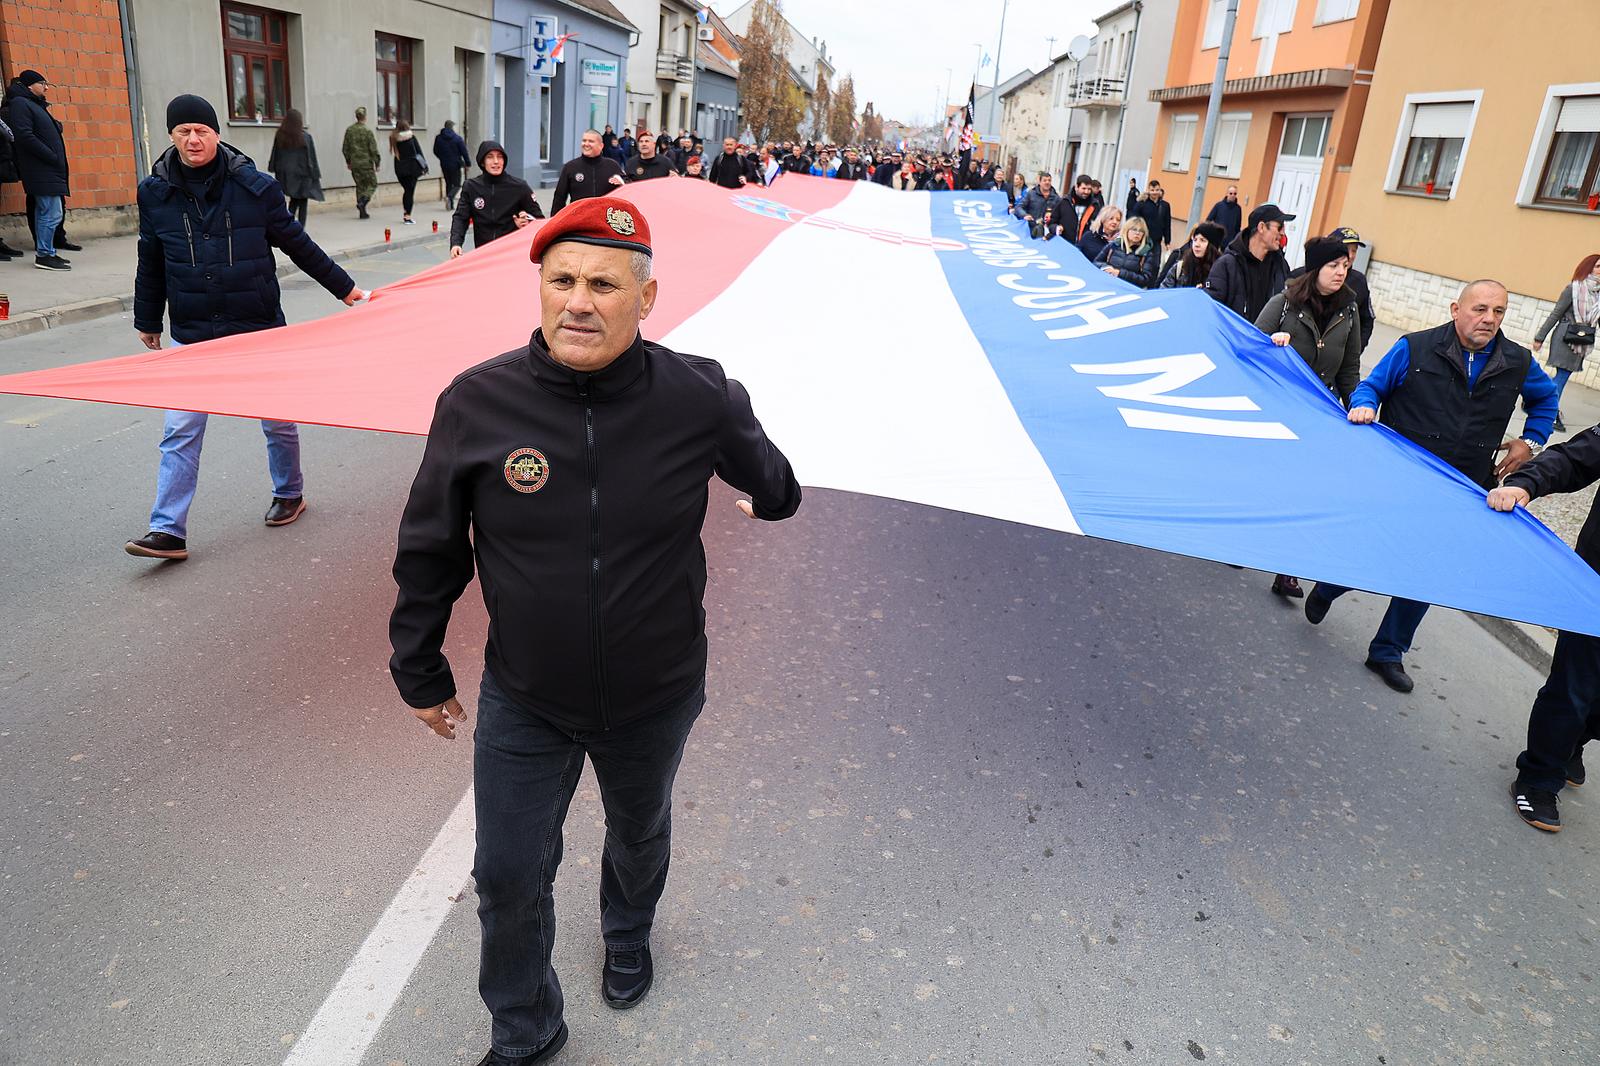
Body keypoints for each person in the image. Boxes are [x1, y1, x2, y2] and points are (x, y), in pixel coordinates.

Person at [388, 195, 801, 1066]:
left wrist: (765, 495)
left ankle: (626, 932)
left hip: (655, 693)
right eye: (562, 280)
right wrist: (418, 668)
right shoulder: (477, 404)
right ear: (539, 288)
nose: (579, 300)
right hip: (527, 697)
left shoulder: (699, 395)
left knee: (639, 830)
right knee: (505, 873)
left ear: (646, 300)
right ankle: (527, 1029)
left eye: (604, 284)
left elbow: (777, 484)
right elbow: (430, 547)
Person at [124, 95, 363, 563]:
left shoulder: (255, 187)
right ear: (172, 136)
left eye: (202, 130)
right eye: (183, 131)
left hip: (257, 329)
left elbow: (298, 243)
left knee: (277, 421)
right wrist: (147, 319)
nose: (193, 139)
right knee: (180, 430)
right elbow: (150, 259)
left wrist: (347, 289)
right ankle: (167, 530)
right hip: (192, 332)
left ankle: (290, 492)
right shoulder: (155, 192)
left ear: (216, 134)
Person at [1303, 280, 1559, 693]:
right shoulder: (1415, 347)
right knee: (1381, 553)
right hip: (1404, 478)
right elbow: (1371, 386)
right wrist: (1364, 405)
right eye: (1480, 309)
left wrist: (1530, 442)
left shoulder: (1518, 361)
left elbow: (1546, 403)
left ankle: (1388, 651)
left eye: (1498, 312)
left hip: (1466, 484)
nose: (1489, 319)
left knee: (1430, 569)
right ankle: (1331, 585)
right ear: (1456, 309)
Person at [1490, 424, 1600, 832]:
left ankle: (1573, 744)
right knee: (1575, 687)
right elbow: (1574, 457)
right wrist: (1526, 483)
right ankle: (1539, 777)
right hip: (1597, 589)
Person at [1255, 237, 1364, 599]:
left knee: (1305, 492)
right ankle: (1243, 539)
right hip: (1277, 408)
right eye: (1334, 266)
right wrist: (1273, 344)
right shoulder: (1284, 303)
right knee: (1267, 482)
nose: (1341, 272)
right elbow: (1251, 348)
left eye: (1345, 266)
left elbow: (1349, 368)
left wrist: (1358, 406)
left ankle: (1288, 569)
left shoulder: (1349, 309)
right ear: (1316, 268)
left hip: (1319, 413)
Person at [6, 68, 70, 271]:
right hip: (41, 168)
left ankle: (48, 252)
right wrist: (50, 155)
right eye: (43, 83)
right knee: (50, 213)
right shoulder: (20, 104)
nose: (46, 88)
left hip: (47, 169)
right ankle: (44, 255)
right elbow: (24, 136)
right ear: (29, 85)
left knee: (51, 212)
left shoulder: (33, 104)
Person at [1532, 253, 1600, 434]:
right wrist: (1540, 337)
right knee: (1561, 376)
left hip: (1583, 341)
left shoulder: (1599, 295)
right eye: (1599, 266)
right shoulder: (1574, 289)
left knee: (1562, 376)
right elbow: (1556, 313)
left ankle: (1537, 400)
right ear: (1588, 268)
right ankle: (1550, 412)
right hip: (1565, 338)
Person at [1288, 226, 1376, 353]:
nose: (1350, 255)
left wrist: (1355, 349)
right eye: (1347, 249)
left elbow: (1366, 320)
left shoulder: (1359, 281)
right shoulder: (1299, 277)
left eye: (1354, 251)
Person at [449, 140, 542, 259]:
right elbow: (460, 218)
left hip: (511, 255)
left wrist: (525, 225)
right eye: (490, 157)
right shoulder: (471, 187)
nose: (496, 162)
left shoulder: (519, 187)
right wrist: (456, 243)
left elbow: (539, 220)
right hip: (483, 254)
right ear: (482, 162)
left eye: (500, 157)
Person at [1206, 203, 1294, 322]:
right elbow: (1211, 309)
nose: (1283, 233)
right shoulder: (1227, 264)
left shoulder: (1280, 266)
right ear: (1261, 227)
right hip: (1232, 338)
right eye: (1279, 227)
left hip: (1263, 339)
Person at [267, 109, 324, 228]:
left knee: (293, 200)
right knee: (302, 202)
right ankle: (300, 228)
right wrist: (315, 174)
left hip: (286, 175)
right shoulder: (305, 137)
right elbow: (311, 157)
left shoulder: (280, 136)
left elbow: (275, 154)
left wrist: (273, 167)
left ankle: (288, 225)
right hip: (302, 174)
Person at [551, 129, 626, 211]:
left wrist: (622, 183)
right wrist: (554, 221)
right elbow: (559, 198)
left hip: (604, 220)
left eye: (591, 141)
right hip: (578, 220)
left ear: (601, 146)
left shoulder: (612, 166)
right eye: (584, 141)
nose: (586, 144)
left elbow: (627, 189)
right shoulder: (570, 167)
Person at [1093, 214, 1159, 289]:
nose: (1137, 233)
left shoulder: (1146, 253)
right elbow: (1096, 262)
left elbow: (1146, 279)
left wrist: (1120, 273)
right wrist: (1106, 268)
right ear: (1126, 230)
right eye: (1134, 229)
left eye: (1141, 231)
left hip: (1129, 290)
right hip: (1108, 285)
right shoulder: (1114, 245)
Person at [1158, 222, 1224, 290]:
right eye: (1195, 240)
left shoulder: (1220, 272)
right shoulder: (1181, 267)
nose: (1196, 244)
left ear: (1212, 246)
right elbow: (1164, 292)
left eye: (1202, 240)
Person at [342, 106, 380, 219]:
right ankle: (363, 201)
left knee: (360, 186)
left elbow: (345, 148)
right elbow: (373, 149)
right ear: (365, 117)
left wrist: (348, 161)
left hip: (355, 163)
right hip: (366, 164)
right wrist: (377, 163)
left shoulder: (349, 130)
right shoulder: (367, 131)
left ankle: (362, 212)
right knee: (372, 184)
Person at [388, 119, 428, 225]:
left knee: (406, 191)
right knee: (409, 192)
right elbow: (419, 153)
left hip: (400, 168)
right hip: (412, 169)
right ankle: (407, 216)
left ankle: (406, 213)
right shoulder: (411, 137)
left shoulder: (394, 138)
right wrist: (425, 167)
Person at [433, 119, 472, 211]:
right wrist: (468, 163)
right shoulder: (457, 138)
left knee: (448, 183)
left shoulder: (438, 138)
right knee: (457, 184)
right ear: (452, 127)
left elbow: (435, 151)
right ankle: (450, 197)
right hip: (455, 164)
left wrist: (442, 158)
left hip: (444, 164)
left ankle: (450, 204)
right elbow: (464, 152)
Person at [1049, 174, 1100, 245]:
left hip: (1084, 247)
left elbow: (1098, 225)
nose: (1086, 192)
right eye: (1084, 188)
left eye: (1089, 189)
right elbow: (1052, 222)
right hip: (1064, 244)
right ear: (1076, 187)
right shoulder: (1064, 202)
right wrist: (1056, 228)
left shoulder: (1095, 205)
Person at [1130, 180, 1172, 253]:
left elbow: (1167, 224)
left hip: (1156, 242)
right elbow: (1134, 220)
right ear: (1148, 191)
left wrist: (1167, 242)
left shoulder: (1165, 205)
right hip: (1142, 240)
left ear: (1160, 190)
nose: (1155, 192)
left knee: (1155, 263)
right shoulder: (1141, 204)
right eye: (1152, 190)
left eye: (1157, 190)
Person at [1014, 171, 1060, 237]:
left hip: (1048, 233)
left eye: (1049, 180)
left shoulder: (1056, 197)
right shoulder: (1031, 194)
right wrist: (1024, 215)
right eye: (1044, 180)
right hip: (1031, 230)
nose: (1047, 182)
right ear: (1040, 182)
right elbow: (1018, 207)